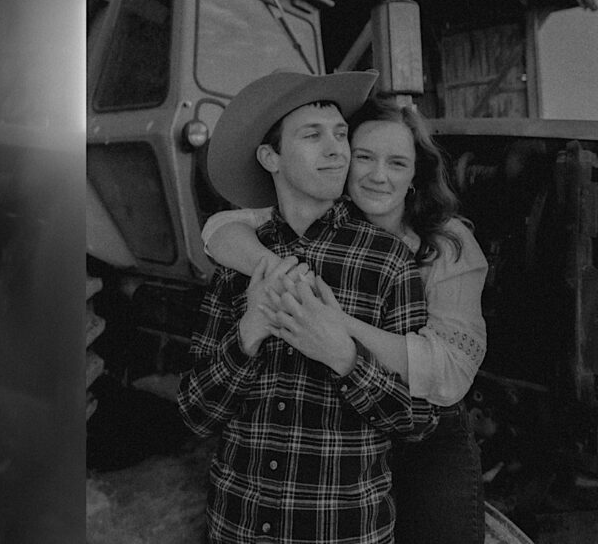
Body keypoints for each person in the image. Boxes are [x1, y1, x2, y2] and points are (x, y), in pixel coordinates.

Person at [201, 95, 487, 544]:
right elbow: (219, 229)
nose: (377, 175)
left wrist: (335, 325)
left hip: (425, 419)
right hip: (350, 428)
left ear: (416, 174)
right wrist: (274, 271)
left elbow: (449, 372)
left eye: (396, 162)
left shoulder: (447, 244)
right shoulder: (320, 214)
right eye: (365, 157)